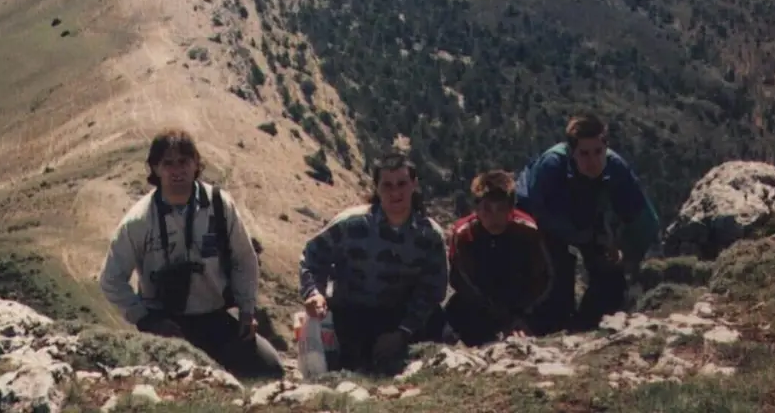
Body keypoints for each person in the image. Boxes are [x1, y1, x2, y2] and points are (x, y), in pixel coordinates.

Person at [98, 128, 284, 380]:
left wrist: (246, 311)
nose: (177, 170)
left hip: (215, 318)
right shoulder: (139, 221)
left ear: (196, 163)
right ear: (155, 168)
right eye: (168, 163)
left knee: (270, 369)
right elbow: (110, 279)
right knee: (173, 382)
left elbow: (244, 259)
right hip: (165, 325)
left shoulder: (220, 206)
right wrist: (145, 320)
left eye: (184, 161)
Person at [298, 150, 449, 375]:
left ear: (414, 185)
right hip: (353, 315)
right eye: (387, 185)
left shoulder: (430, 235)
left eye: (401, 184)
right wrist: (314, 293)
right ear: (377, 188)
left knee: (437, 325)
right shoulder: (350, 225)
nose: (395, 192)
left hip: (402, 317)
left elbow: (432, 291)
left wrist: (402, 332)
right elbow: (312, 257)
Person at [515, 114, 661, 333]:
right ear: (571, 151)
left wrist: (624, 252)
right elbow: (542, 214)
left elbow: (644, 221)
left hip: (586, 215)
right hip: (540, 218)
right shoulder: (551, 166)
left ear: (606, 147)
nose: (593, 161)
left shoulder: (615, 167)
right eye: (584, 153)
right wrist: (586, 236)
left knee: (611, 278)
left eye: (598, 151)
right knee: (556, 276)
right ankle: (545, 326)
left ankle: (587, 325)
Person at [444, 170, 555, 346]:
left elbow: (543, 278)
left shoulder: (528, 231)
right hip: (480, 303)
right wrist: (498, 317)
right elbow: (461, 280)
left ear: (511, 209)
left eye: (501, 209)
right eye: (487, 209)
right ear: (477, 209)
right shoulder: (464, 235)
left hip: (521, 301)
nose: (494, 217)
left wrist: (521, 315)